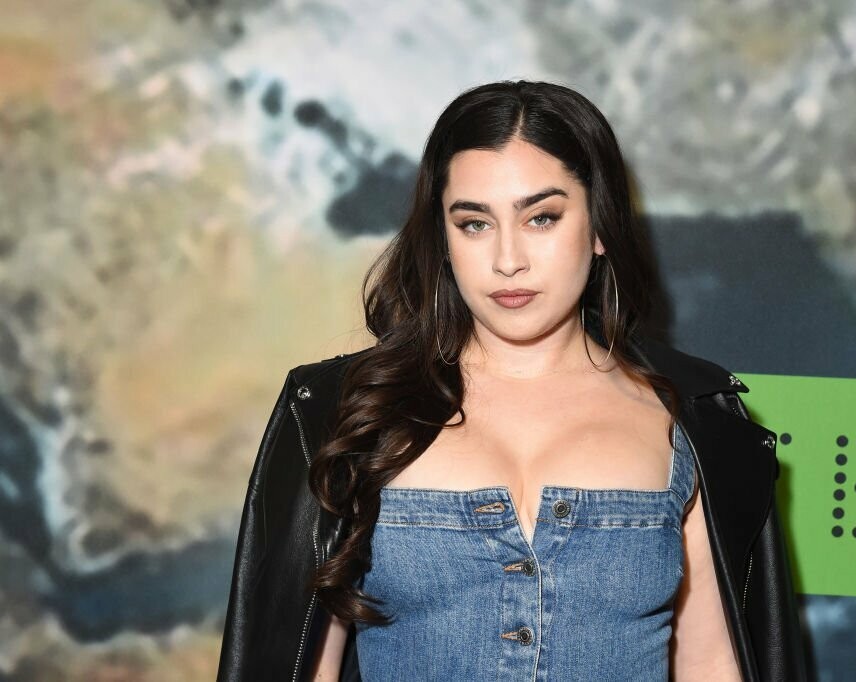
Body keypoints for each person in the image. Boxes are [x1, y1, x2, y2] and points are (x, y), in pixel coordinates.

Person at [216, 80, 808, 681]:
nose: (507, 260)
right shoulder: (347, 413)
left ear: (599, 226)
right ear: (442, 238)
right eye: (474, 223)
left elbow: (712, 664)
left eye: (541, 218)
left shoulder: (688, 421)